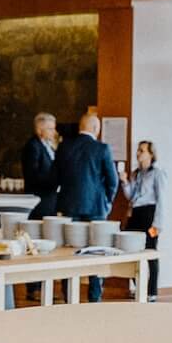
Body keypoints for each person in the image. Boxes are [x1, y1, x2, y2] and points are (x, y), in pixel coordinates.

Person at [55, 111, 120, 301]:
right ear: (95, 128)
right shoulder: (102, 148)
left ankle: (68, 296)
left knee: (68, 253)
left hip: (69, 206)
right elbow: (113, 181)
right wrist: (106, 202)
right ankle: (94, 296)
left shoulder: (65, 147)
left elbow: (56, 176)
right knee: (96, 252)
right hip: (96, 209)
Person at [120, 139, 166, 299]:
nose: (138, 153)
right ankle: (141, 288)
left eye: (142, 151)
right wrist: (125, 182)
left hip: (149, 214)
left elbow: (162, 200)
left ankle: (152, 292)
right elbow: (131, 196)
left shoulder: (157, 173)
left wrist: (158, 223)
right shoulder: (136, 173)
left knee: (150, 251)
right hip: (136, 214)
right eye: (138, 150)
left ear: (151, 154)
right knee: (131, 251)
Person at [19, 111, 60, 219]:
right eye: (50, 129)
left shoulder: (48, 145)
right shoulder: (33, 146)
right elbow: (33, 175)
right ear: (39, 130)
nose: (54, 132)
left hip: (49, 200)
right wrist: (56, 181)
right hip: (39, 201)